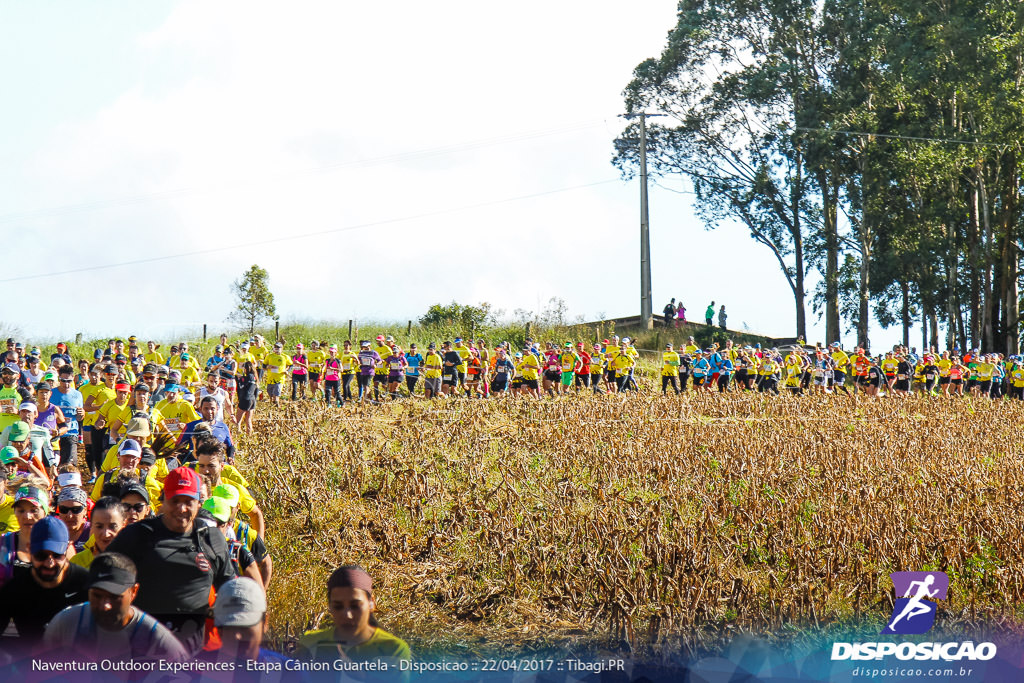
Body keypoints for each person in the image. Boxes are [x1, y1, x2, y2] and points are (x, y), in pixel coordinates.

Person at [106, 467, 236, 655]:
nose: (181, 508)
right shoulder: (137, 536)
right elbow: (103, 581)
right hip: (141, 654)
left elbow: (230, 589)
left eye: (188, 502)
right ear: (163, 501)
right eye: (175, 501)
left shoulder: (211, 539)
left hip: (194, 656)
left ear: (199, 504)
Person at [44, 552, 189, 663]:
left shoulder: (158, 641)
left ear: (133, 592)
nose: (105, 606)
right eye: (97, 595)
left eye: (114, 597)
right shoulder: (65, 623)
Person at [297, 565, 412, 672]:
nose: (347, 614)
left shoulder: (393, 650)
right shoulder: (310, 642)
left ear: (371, 603)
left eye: (355, 606)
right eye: (338, 606)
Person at [0, 516, 88, 642]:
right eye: (41, 555)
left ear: (67, 550)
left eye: (57, 555)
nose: (49, 563)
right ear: (29, 550)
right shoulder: (15, 590)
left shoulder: (85, 584)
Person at [71, 496, 127, 568]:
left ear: (123, 525)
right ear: (91, 526)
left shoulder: (134, 560)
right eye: (99, 527)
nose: (106, 534)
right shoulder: (77, 563)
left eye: (112, 527)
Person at [179, 395, 237, 463]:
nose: (209, 412)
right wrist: (189, 459)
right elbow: (179, 447)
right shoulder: (190, 426)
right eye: (206, 408)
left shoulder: (223, 427)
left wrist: (230, 457)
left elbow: (231, 447)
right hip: (196, 466)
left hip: (217, 466)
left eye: (212, 408)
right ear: (200, 409)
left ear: (217, 409)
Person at [236, 361, 259, 431]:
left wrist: (238, 379)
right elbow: (256, 391)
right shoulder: (255, 378)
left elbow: (241, 386)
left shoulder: (247, 377)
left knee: (237, 421)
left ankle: (237, 435)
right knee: (248, 420)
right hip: (253, 400)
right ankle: (249, 436)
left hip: (245, 399)